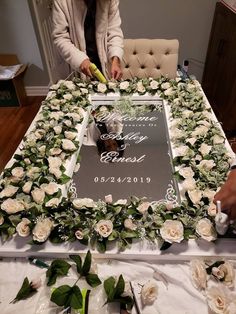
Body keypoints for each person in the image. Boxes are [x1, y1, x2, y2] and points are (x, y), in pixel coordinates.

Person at [52, 0, 124, 80]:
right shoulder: (62, 2)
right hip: (74, 67)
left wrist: (115, 59)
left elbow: (114, 32)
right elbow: (60, 37)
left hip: (102, 64)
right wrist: (80, 60)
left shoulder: (110, 1)